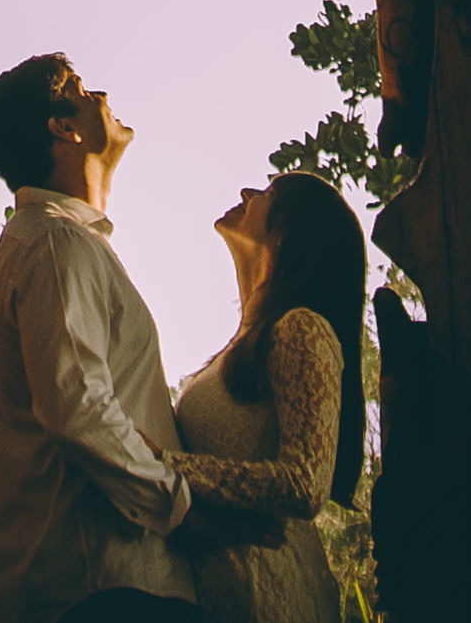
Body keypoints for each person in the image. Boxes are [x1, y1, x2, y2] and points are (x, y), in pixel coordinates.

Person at [0, 53, 232, 623]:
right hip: (109, 587)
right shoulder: (53, 244)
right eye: (82, 89)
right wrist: (181, 508)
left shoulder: (54, 243)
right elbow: (77, 406)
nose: (102, 95)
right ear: (63, 129)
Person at [169, 172, 367, 623]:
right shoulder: (242, 349)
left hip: (270, 594)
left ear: (288, 234)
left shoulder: (300, 329)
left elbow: (305, 483)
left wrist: (163, 464)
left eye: (267, 192)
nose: (246, 193)